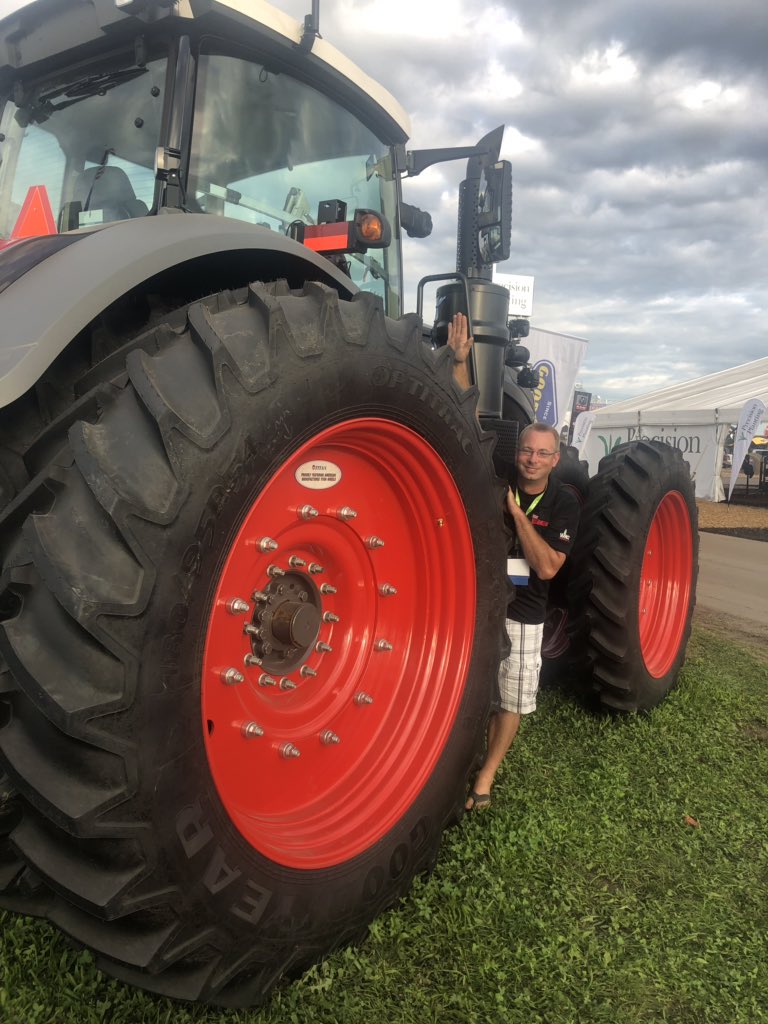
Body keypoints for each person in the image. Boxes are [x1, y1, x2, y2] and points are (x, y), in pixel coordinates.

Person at [447, 313, 581, 812]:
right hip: (480, 602)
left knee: (511, 698)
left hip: (524, 612)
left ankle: (486, 776)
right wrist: (459, 363)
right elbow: (470, 427)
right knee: (470, 687)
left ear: (554, 459)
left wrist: (516, 515)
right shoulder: (500, 472)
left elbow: (546, 568)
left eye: (541, 454)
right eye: (526, 450)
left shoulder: (562, 503)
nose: (530, 459)